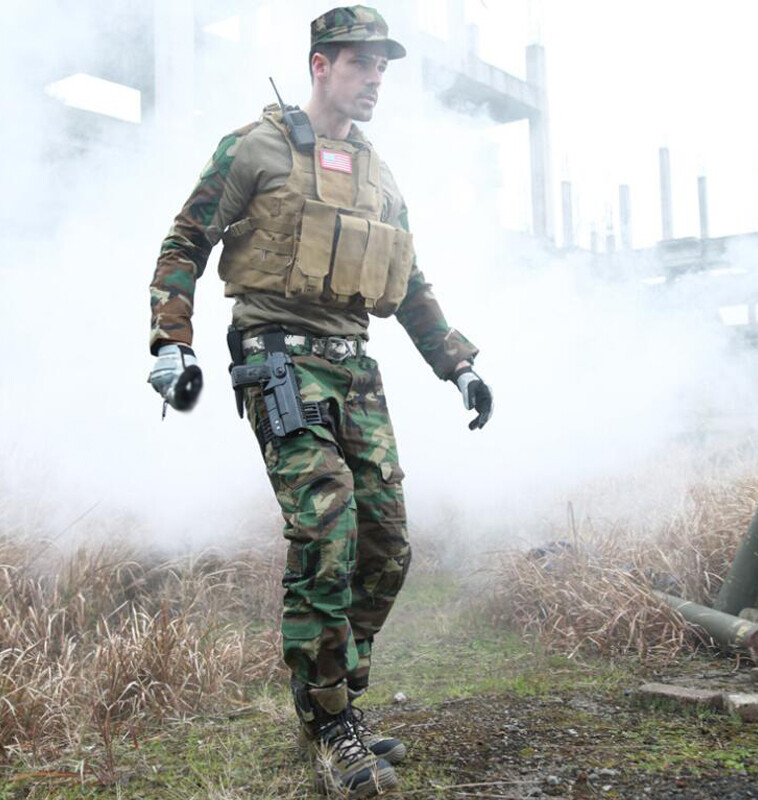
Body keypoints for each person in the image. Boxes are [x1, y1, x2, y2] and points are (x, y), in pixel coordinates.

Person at [148, 5, 493, 796]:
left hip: (355, 369)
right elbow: (186, 241)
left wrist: (460, 365)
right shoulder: (256, 147)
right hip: (277, 360)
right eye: (363, 63)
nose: (376, 79)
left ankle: (337, 699)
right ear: (321, 64)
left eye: (383, 67)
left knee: (388, 546)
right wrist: (173, 340)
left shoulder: (379, 173)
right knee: (326, 522)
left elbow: (409, 285)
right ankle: (331, 722)